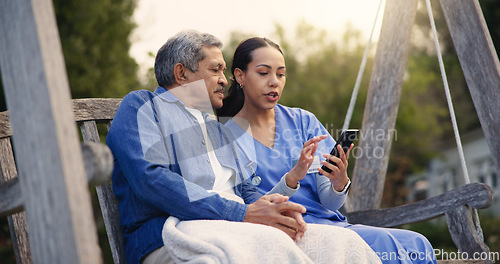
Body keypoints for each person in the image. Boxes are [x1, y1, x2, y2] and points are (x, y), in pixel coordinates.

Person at [106, 30, 381, 264]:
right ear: (181, 74)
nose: (224, 81)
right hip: (173, 230)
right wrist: (243, 214)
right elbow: (151, 180)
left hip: (234, 226)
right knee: (271, 244)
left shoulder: (217, 128)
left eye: (223, 71)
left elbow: (247, 190)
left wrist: (276, 208)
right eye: (215, 70)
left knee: (341, 243)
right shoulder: (143, 106)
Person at [217, 37, 438, 264]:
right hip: (293, 229)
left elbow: (330, 203)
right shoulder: (224, 138)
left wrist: (338, 182)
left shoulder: (303, 121)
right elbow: (253, 208)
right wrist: (293, 178)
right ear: (240, 76)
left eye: (281, 74)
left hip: (332, 223)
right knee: (385, 244)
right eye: (264, 73)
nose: (274, 82)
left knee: (417, 244)